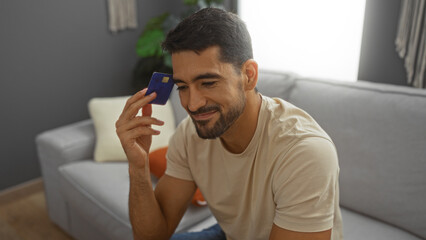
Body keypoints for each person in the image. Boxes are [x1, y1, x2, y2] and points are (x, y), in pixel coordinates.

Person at [116, 7, 343, 240]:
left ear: (249, 75)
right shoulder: (189, 134)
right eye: (182, 86)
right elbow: (152, 236)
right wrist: (138, 166)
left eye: (208, 83)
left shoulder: (304, 153)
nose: (192, 105)